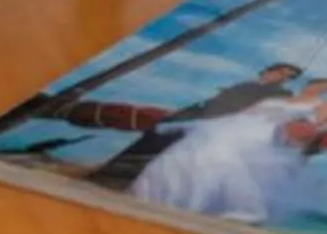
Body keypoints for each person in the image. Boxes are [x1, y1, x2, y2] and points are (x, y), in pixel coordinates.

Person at [132, 77, 327, 225]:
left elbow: (316, 125)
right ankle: (161, 198)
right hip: (237, 125)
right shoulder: (279, 99)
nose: (316, 87)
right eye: (315, 83)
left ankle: (245, 210)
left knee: (222, 153)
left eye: (323, 85)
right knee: (195, 149)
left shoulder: (323, 104)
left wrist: (298, 131)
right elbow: (245, 114)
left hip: (264, 135)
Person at [87, 62, 302, 192]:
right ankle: (109, 176)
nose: (283, 76)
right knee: (153, 140)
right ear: (268, 71)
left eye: (289, 75)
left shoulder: (282, 94)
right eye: (281, 71)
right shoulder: (246, 84)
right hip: (194, 114)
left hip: (214, 125)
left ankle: (133, 184)